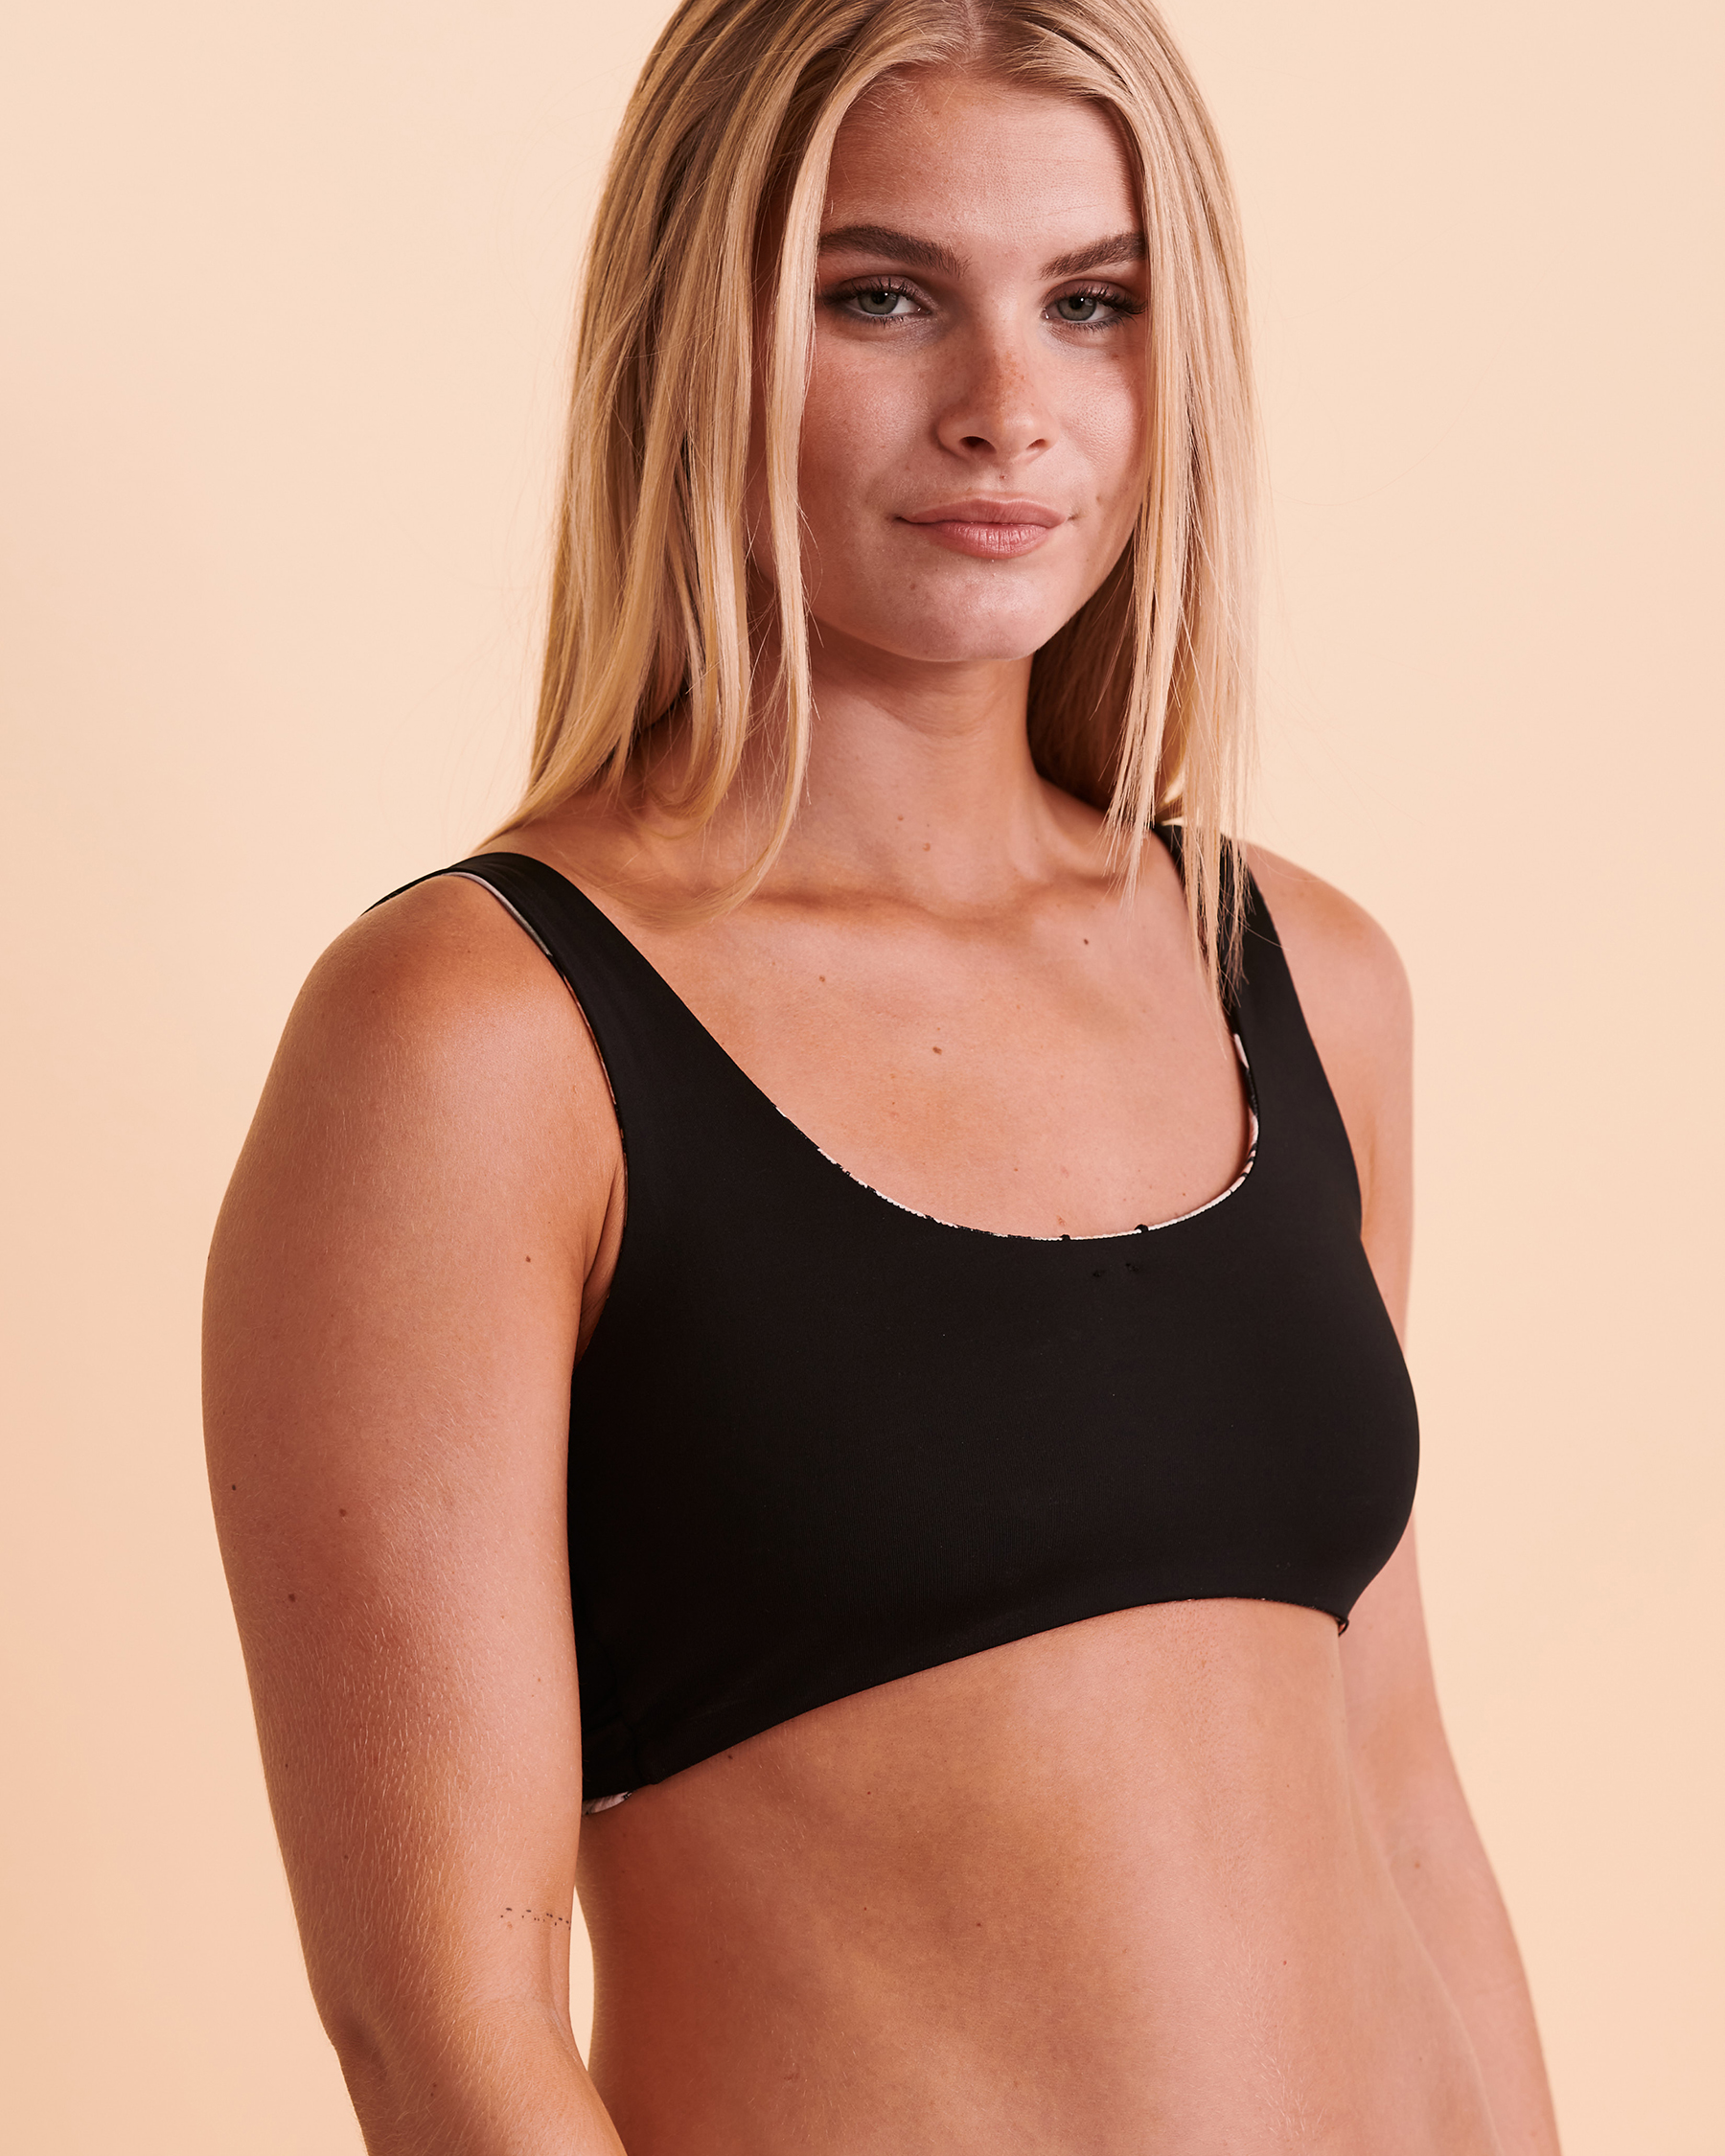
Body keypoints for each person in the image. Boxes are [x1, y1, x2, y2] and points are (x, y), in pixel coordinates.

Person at [204, 1, 1562, 2148]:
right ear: (700, 340)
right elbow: (442, 2018)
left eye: (1092, 302)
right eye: (883, 296)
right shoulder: (481, 1040)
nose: (1007, 408)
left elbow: (1399, 1790)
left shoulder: (1300, 976)